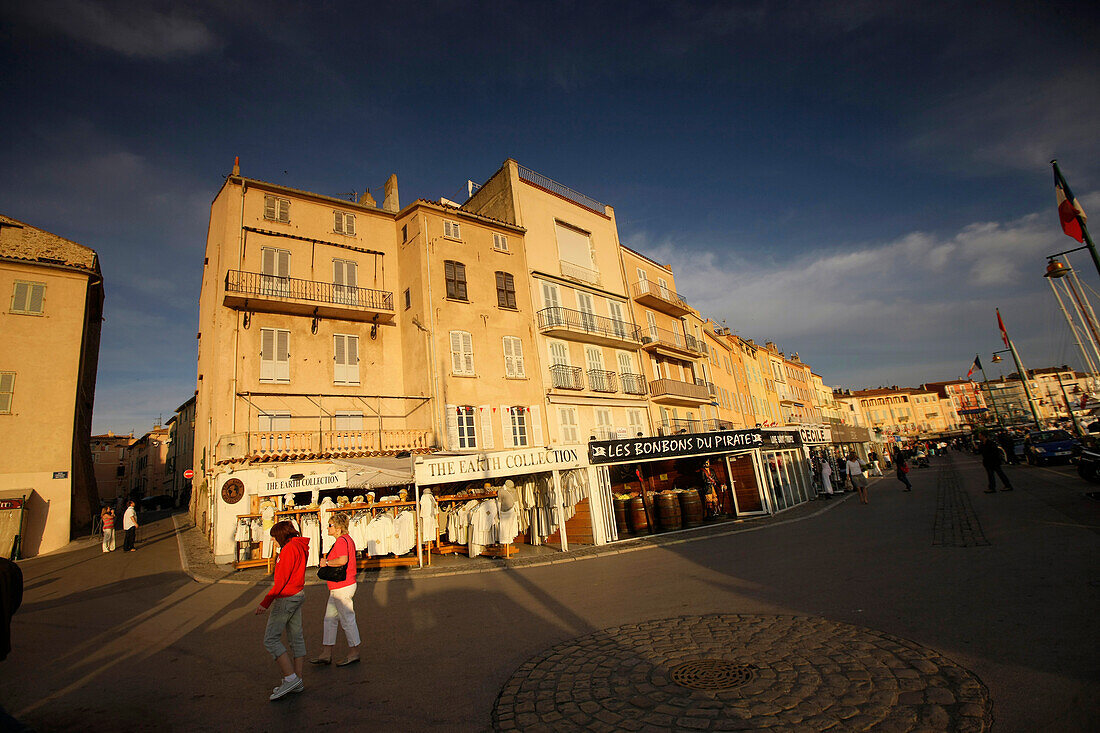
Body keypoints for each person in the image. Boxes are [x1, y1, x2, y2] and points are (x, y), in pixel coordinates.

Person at [256, 520, 310, 701]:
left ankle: (290, 678)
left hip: (286, 597)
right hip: (298, 593)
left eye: (273, 538)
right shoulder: (300, 546)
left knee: (271, 639)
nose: (273, 541)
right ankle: (298, 679)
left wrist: (265, 602)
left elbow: (280, 582)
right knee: (296, 637)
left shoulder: (287, 550)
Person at [311, 513, 361, 667]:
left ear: (338, 529)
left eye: (330, 525)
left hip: (342, 586)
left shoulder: (341, 541)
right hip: (339, 586)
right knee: (330, 619)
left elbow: (342, 560)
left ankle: (354, 652)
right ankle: (326, 653)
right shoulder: (346, 540)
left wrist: (326, 562)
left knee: (346, 619)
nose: (328, 527)